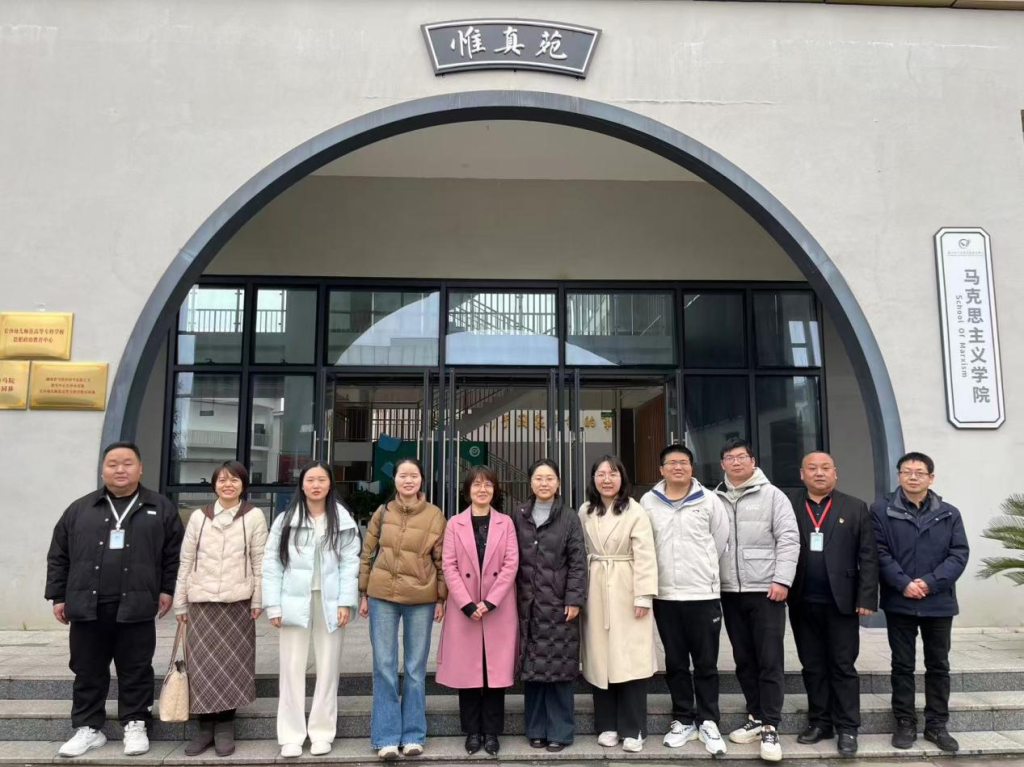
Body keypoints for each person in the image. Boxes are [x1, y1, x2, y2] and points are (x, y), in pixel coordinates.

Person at [45, 442, 184, 758]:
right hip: (87, 604)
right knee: (87, 668)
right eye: (113, 464)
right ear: (102, 469)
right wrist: (58, 595)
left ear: (140, 468)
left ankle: (135, 723)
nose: (120, 469)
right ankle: (88, 728)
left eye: (127, 463)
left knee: (136, 668)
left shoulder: (160, 507)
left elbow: (173, 555)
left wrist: (167, 589)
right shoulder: (80, 509)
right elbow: (59, 554)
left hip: (137, 604)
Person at [262, 460, 360, 759]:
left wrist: (345, 602)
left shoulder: (342, 519)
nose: (316, 485)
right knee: (291, 669)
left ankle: (322, 733)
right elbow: (272, 564)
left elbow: (350, 563)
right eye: (310, 480)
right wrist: (273, 604)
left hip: (329, 601)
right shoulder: (286, 519)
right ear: (301, 484)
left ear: (330, 484)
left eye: (322, 480)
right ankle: (290, 735)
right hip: (293, 601)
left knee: (328, 668)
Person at [872, 452, 969, 753]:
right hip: (899, 601)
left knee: (938, 665)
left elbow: (958, 554)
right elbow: (879, 552)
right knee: (902, 665)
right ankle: (905, 722)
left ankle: (936, 724)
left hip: (938, 602)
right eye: (907, 471)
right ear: (898, 475)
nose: (913, 477)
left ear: (931, 478)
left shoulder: (949, 513)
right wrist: (903, 583)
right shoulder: (881, 510)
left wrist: (929, 582)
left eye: (920, 472)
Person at [173, 461, 269, 757]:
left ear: (243, 485)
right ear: (214, 484)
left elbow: (260, 560)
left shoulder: (253, 516)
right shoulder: (199, 517)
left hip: (237, 601)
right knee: (201, 665)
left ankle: (226, 725)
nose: (228, 484)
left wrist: (258, 599)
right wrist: (180, 601)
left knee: (233, 664)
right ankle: (204, 727)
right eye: (222, 480)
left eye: (234, 480)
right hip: (200, 601)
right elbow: (186, 560)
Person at [787, 452, 879, 756]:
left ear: (835, 473)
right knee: (812, 666)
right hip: (802, 600)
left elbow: (868, 555)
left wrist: (866, 597)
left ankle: (848, 727)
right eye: (812, 468)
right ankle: (820, 722)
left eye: (825, 468)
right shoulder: (788, 505)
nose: (819, 473)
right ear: (802, 474)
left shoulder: (854, 507)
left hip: (842, 602)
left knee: (842, 666)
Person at [640, 444, 729, 756]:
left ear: (692, 467)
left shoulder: (710, 500)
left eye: (684, 462)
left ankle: (708, 719)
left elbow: (720, 540)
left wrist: (704, 571)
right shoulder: (648, 501)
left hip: (702, 593)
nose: (678, 467)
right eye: (671, 463)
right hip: (666, 595)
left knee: (706, 662)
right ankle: (683, 719)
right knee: (675, 661)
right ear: (661, 469)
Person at [714, 438, 799, 762]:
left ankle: (771, 725)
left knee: (769, 658)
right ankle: (755, 715)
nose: (736, 462)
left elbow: (789, 539)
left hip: (766, 590)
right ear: (722, 464)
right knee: (744, 658)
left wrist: (782, 579)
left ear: (753, 461)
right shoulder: (715, 498)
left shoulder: (773, 496)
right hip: (729, 591)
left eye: (741, 457)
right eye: (729, 457)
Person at [358, 457, 447, 761]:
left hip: (421, 598)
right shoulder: (383, 512)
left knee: (415, 668)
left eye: (414, 475)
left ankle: (412, 735)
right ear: (394, 479)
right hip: (382, 595)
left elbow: (441, 560)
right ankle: (385, 737)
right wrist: (363, 592)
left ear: (422, 480)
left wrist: (441, 598)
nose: (408, 480)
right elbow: (367, 553)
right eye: (402, 475)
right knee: (383, 666)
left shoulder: (434, 515)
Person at [436, 466, 519, 756]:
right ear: (467, 490)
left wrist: (492, 600)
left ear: (495, 490)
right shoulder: (454, 523)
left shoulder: (506, 523)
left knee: (494, 672)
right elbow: (449, 565)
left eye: (488, 485)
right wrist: (466, 602)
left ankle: (492, 732)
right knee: (468, 671)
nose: (482, 490)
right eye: (476, 485)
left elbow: (511, 564)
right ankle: (472, 732)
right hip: (465, 608)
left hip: (498, 608)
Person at [579, 455, 658, 753]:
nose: (607, 479)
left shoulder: (635, 511)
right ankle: (607, 725)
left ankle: (633, 728)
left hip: (627, 586)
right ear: (593, 479)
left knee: (630, 658)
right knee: (600, 659)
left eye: (613, 474)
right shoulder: (586, 511)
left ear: (622, 478)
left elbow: (646, 555)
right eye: (601, 474)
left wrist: (643, 596)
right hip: (596, 587)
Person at [512, 459, 588, 752]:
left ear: (558, 483)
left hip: (558, 604)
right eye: (538, 478)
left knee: (559, 668)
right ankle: (535, 729)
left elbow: (578, 562)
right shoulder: (519, 515)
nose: (544, 483)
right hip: (526, 605)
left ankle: (560, 731)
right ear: (530, 482)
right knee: (532, 669)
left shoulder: (569, 517)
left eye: (549, 478)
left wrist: (574, 598)